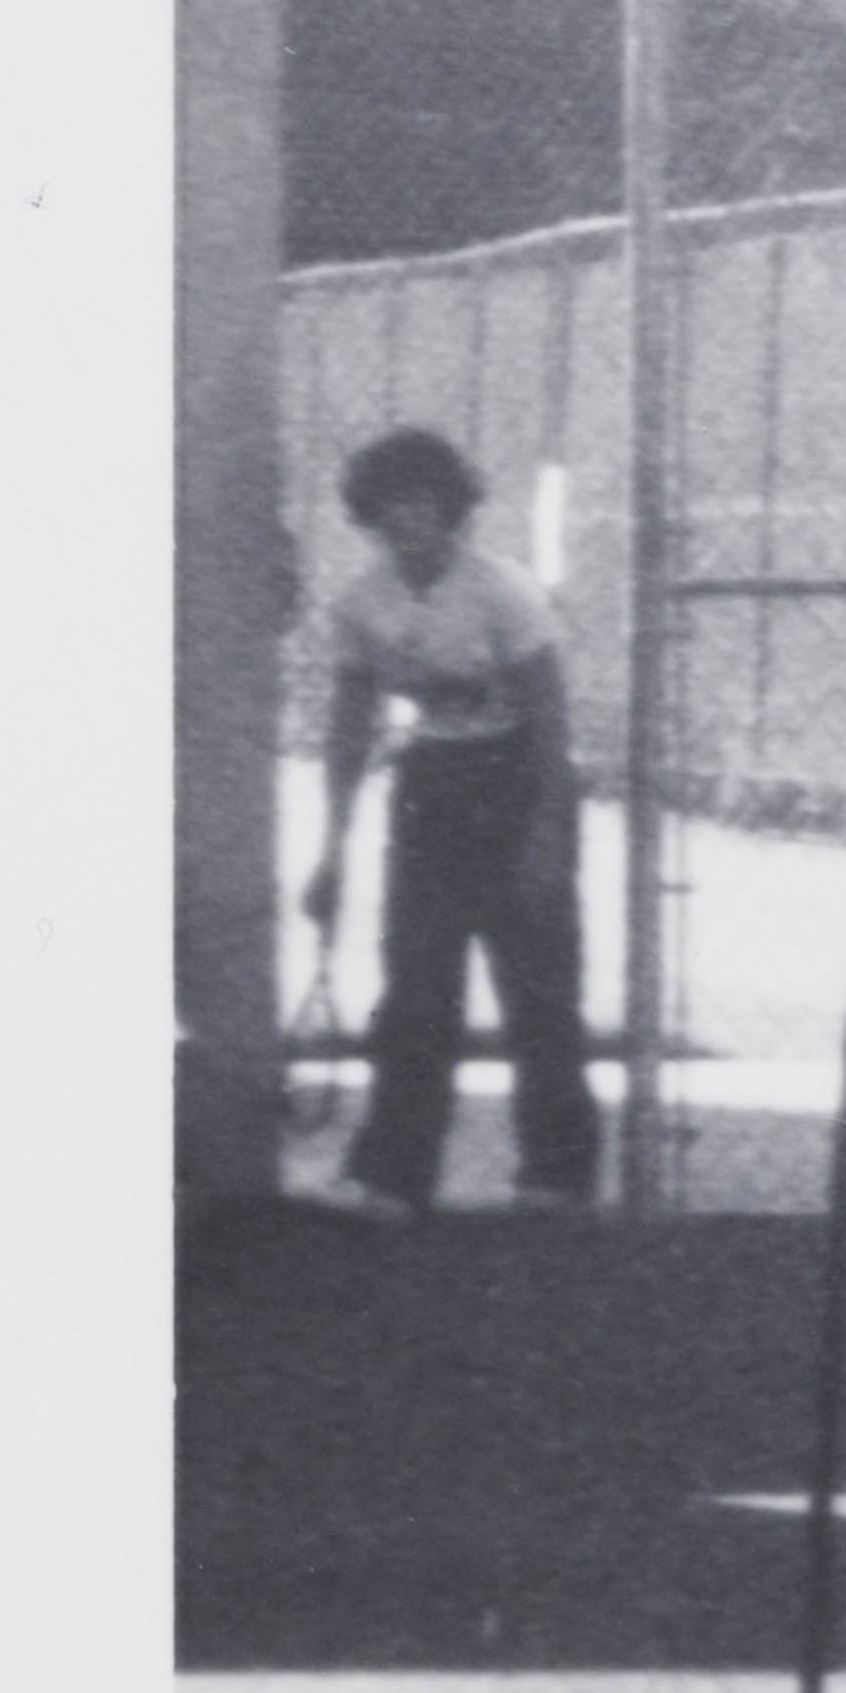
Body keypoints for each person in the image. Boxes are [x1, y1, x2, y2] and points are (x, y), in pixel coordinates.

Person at [295, 429, 602, 1209]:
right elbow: (348, 729)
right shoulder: (361, 605)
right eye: (391, 507)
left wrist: (545, 838)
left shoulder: (503, 590)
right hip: (430, 787)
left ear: (452, 510)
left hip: (520, 779)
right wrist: (330, 850)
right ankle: (394, 1175)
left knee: (538, 990)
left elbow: (552, 724)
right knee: (417, 990)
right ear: (370, 515)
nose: (408, 522)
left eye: (425, 504)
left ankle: (557, 1176)